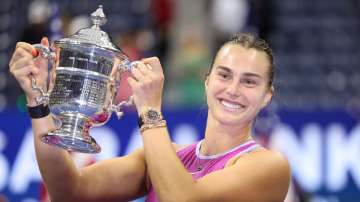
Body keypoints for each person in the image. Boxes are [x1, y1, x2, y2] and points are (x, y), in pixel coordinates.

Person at [9, 33, 291, 202]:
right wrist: (38, 99)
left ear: (268, 95)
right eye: (224, 75)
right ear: (207, 81)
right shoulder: (164, 159)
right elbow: (69, 191)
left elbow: (182, 199)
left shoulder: (269, 166)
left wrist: (150, 110)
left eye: (250, 82)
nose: (233, 90)